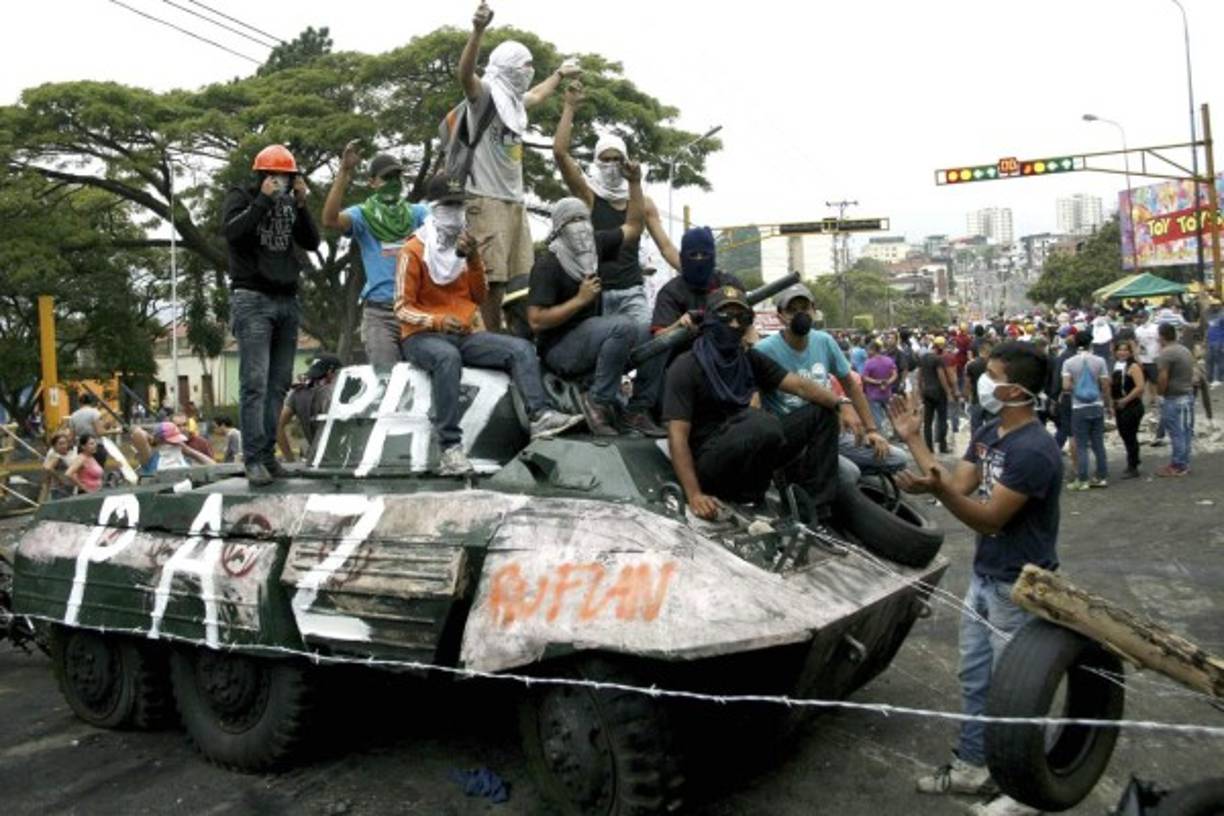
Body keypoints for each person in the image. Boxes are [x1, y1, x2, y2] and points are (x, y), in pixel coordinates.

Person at [891, 342, 1061, 816]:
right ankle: (971, 765)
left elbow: (988, 519)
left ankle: (1031, 787)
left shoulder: (1035, 451)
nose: (977, 380)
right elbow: (956, 483)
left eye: (989, 374)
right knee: (975, 679)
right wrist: (914, 439)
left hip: (1020, 585)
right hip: (985, 578)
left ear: (1013, 389)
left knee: (1019, 690)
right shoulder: (989, 431)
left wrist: (939, 491)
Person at [397, 174, 584, 475]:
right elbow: (402, 308)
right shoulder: (413, 250)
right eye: (449, 206)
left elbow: (479, 295)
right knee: (447, 358)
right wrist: (437, 320)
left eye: (461, 207)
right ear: (433, 208)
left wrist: (472, 260)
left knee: (520, 348)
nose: (456, 213)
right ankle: (450, 448)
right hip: (421, 337)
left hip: (462, 332)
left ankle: (540, 415)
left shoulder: (465, 247)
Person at [662, 286, 845, 521]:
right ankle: (748, 494)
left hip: (748, 444)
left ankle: (815, 511)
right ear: (709, 320)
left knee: (822, 413)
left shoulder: (749, 359)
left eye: (742, 318)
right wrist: (695, 494)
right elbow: (676, 435)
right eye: (725, 317)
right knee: (761, 422)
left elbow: (799, 385)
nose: (735, 325)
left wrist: (840, 404)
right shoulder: (687, 366)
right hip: (710, 461)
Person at [457, 1, 580, 331]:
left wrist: (558, 75)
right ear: (509, 69)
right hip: (485, 198)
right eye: (524, 67)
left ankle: (516, 339)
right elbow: (465, 74)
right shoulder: (482, 97)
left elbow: (538, 95)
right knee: (491, 276)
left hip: (514, 202)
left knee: (520, 278)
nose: (528, 74)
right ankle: (490, 337)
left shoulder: (514, 102)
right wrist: (478, 31)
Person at [526, 164, 664, 438]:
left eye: (583, 220)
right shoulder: (548, 264)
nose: (580, 229)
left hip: (591, 336)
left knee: (653, 334)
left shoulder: (595, 247)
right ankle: (597, 401)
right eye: (571, 222)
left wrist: (635, 183)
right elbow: (536, 320)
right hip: (559, 349)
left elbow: (634, 227)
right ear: (558, 229)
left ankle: (639, 408)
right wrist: (579, 300)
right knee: (622, 326)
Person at [222, 143, 320, 486]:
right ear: (263, 175)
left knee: (279, 382)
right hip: (252, 298)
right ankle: (253, 458)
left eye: (288, 177)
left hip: (287, 299)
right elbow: (233, 233)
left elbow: (312, 241)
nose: (282, 182)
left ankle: (267, 455)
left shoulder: (292, 204)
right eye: (276, 176)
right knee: (255, 382)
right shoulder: (241, 197)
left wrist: (302, 204)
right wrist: (263, 200)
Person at [552, 81, 680, 324]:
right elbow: (560, 153)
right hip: (596, 292)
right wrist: (569, 107)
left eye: (616, 159)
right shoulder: (588, 194)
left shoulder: (642, 200)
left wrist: (699, 274)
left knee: (646, 337)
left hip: (631, 291)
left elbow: (666, 248)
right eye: (605, 159)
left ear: (626, 161)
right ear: (596, 161)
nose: (611, 165)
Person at [323, 143, 429, 367]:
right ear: (372, 183)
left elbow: (445, 223)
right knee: (386, 382)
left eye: (396, 177)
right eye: (386, 177)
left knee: (420, 381)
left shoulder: (417, 213)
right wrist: (344, 172)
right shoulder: (362, 215)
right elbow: (330, 219)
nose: (392, 183)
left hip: (416, 309)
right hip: (380, 314)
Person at [756, 283, 888, 456]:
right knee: (848, 474)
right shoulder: (764, 350)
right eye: (792, 310)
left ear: (814, 311)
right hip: (791, 439)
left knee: (894, 457)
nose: (800, 315)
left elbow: (851, 385)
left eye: (804, 308)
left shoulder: (824, 341)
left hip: (829, 431)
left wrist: (871, 430)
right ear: (780, 316)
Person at [1061, 331, 1112, 490]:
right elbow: (1105, 385)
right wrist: (1108, 405)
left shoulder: (1069, 362)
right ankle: (1101, 477)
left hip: (1078, 407)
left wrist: (1077, 387)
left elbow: (1066, 386)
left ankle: (1082, 479)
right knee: (1098, 444)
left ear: (1075, 343)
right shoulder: (1100, 361)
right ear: (1091, 343)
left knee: (1081, 445)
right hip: (1096, 405)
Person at [277, 354, 342, 465]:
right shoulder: (341, 394)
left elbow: (277, 425)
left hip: (315, 462)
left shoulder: (298, 394)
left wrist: (290, 460)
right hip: (346, 462)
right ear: (331, 372)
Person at [1154, 322, 1195, 477]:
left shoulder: (1167, 353)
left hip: (1174, 397)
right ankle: (1183, 462)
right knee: (1185, 432)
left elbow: (1163, 377)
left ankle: (1179, 465)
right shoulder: (1184, 350)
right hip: (1187, 395)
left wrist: (1159, 393)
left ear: (1162, 336)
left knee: (1176, 433)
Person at [1111, 339, 1146, 479]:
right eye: (1120, 350)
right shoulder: (1117, 365)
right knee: (1125, 435)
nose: (1122, 352)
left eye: (1125, 350)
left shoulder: (1134, 367)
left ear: (1130, 352)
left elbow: (1140, 387)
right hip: (1120, 405)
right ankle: (1133, 461)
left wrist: (1125, 400)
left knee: (1130, 435)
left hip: (1131, 405)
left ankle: (1133, 466)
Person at [917, 336, 958, 454]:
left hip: (927, 392)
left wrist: (920, 391)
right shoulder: (938, 359)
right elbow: (942, 377)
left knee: (927, 422)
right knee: (942, 420)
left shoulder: (923, 358)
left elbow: (920, 377)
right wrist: (948, 392)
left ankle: (929, 448)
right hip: (938, 392)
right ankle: (942, 446)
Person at [132, 421, 215, 476]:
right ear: (160, 441)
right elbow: (138, 433)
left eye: (177, 442)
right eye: (170, 442)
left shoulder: (183, 459)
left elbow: (214, 467)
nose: (174, 445)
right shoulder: (150, 459)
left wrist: (189, 451)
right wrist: (152, 439)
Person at [860, 341, 897, 433]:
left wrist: (877, 382)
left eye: (868, 350)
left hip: (873, 395)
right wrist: (887, 382)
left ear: (873, 350)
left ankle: (881, 435)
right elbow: (895, 374)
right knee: (891, 414)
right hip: (887, 393)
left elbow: (864, 378)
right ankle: (897, 432)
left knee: (877, 416)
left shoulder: (869, 363)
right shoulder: (889, 360)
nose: (867, 352)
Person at [69, 394, 109, 468]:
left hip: (82, 448)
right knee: (97, 473)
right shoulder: (95, 413)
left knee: (84, 474)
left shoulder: (73, 415)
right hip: (96, 446)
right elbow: (100, 432)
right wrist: (116, 431)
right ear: (91, 402)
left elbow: (71, 437)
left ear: (79, 403)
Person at [965, 338, 994, 436]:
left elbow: (968, 383)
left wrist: (966, 396)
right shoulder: (993, 365)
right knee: (991, 426)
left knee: (975, 427)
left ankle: (975, 447)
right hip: (990, 399)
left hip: (976, 398)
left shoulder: (971, 365)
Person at [42, 431, 77, 500]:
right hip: (61, 489)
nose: (63, 446)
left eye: (65, 443)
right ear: (55, 446)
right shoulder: (56, 456)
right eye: (60, 444)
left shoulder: (70, 452)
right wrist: (59, 479)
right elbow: (47, 468)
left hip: (70, 487)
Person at [1206, 305, 1224, 388]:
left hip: (1219, 341)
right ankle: (1209, 379)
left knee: (1218, 361)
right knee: (1210, 360)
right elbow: (1209, 328)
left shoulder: (1222, 315)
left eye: (1214, 306)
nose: (1212, 307)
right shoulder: (1211, 315)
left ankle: (1218, 379)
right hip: (1210, 341)